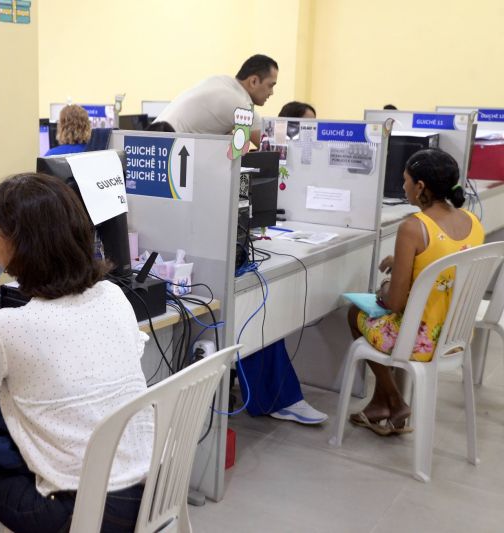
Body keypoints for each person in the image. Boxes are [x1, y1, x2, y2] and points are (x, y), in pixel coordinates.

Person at [0, 173, 153, 532]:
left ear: (17, 247)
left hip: (83, 514)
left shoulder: (12, 327)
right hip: (148, 491)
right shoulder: (114, 296)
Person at [347, 148, 483, 435]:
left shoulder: (414, 227)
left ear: (420, 187)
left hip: (421, 340)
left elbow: (394, 303)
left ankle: (395, 402)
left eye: (406, 180)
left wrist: (385, 287)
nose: (402, 186)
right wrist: (406, 264)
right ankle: (380, 405)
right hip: (457, 335)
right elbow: (447, 258)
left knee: (355, 312)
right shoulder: (473, 222)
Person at [234, 101, 328, 425]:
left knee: (262, 305)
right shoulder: (243, 151)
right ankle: (278, 396)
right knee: (259, 308)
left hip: (258, 239)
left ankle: (278, 395)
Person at [154, 54, 278, 146]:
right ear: (254, 81)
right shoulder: (242, 105)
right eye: (270, 85)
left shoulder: (222, 82)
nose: (271, 93)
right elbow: (271, 150)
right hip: (169, 146)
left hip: (151, 138)